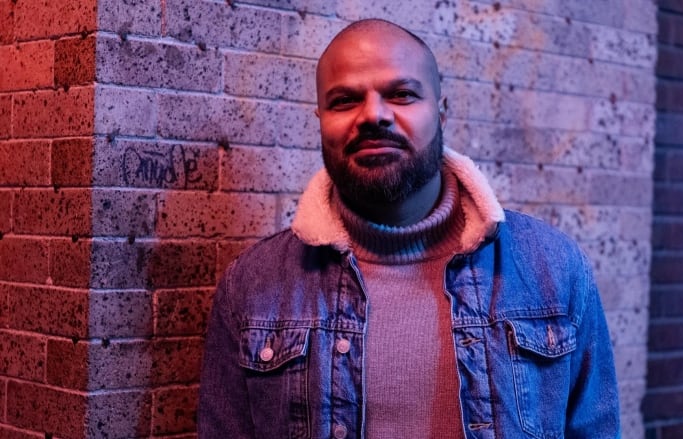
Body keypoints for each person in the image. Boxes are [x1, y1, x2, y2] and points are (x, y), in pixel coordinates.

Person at [197, 18, 620, 439]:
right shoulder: (252, 286)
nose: (374, 115)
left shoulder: (553, 270)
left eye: (401, 94)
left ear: (441, 110)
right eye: (344, 100)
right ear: (320, 118)